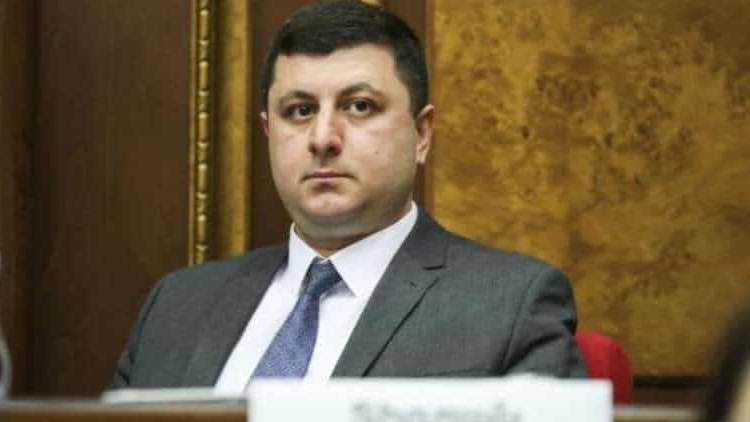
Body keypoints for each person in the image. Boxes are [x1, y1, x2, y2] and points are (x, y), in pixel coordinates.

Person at [109, 0, 586, 394]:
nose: (322, 138)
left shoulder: (510, 304)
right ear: (269, 132)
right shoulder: (176, 306)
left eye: (360, 106)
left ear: (421, 135)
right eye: (300, 111)